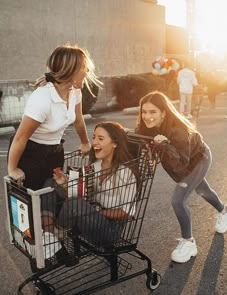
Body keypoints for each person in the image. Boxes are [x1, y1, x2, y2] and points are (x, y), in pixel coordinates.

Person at [136, 91, 227, 263]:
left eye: (153, 112)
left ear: (163, 112)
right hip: (182, 162)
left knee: (178, 200)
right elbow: (141, 144)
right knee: (203, 190)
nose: (147, 116)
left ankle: (189, 243)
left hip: (198, 159)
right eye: (144, 112)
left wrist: (164, 145)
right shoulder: (145, 128)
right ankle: (224, 211)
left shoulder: (177, 130)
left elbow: (181, 164)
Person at [7, 43, 102, 190]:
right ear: (71, 70)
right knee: (32, 200)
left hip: (55, 151)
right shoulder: (42, 99)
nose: (88, 70)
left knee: (52, 194)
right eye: (84, 67)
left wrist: (85, 142)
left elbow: (78, 119)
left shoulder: (75, 92)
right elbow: (20, 138)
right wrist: (12, 169)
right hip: (31, 154)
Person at [40, 121, 138, 257]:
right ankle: (49, 234)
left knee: (76, 204)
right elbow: (83, 193)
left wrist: (97, 211)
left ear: (115, 144)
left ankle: (57, 234)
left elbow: (126, 213)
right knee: (51, 183)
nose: (95, 142)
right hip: (87, 217)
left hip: (108, 230)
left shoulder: (125, 173)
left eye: (101, 138)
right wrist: (64, 184)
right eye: (94, 137)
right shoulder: (95, 167)